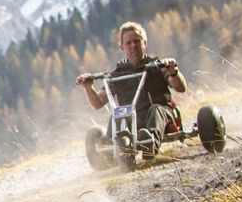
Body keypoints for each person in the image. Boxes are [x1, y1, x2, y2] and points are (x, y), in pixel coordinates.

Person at [76, 21, 187, 153]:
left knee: (156, 109)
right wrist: (89, 88)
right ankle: (109, 148)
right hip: (133, 120)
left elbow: (180, 88)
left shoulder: (157, 66)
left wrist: (173, 71)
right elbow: (98, 103)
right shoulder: (117, 74)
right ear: (122, 47)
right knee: (118, 113)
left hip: (161, 115)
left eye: (137, 41)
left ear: (144, 43)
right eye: (128, 43)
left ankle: (149, 144)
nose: (133, 45)